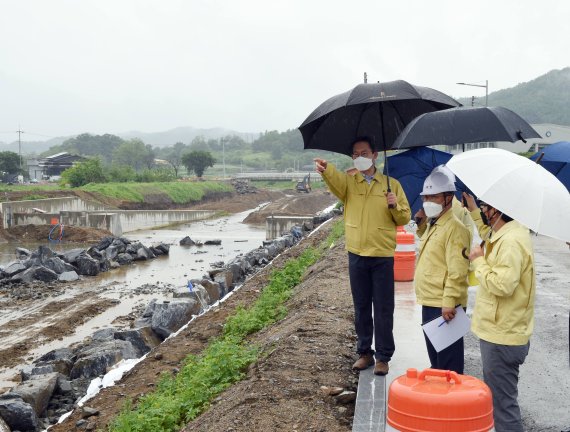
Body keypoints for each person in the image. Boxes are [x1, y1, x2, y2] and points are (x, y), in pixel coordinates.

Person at [314, 137, 411, 376]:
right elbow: (336, 182)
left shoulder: (391, 185)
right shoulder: (349, 183)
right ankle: (365, 353)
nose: (359, 157)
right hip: (357, 253)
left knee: (384, 308)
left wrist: (394, 205)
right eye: (355, 154)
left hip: (382, 255)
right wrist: (327, 170)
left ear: (375, 155)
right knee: (361, 306)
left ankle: (384, 357)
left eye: (364, 152)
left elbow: (404, 218)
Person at [465, 196, 536, 432]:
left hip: (502, 335)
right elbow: (488, 234)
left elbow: (503, 285)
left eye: (484, 207)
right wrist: (475, 212)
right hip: (501, 331)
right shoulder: (505, 234)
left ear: (495, 210)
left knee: (503, 407)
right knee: (500, 403)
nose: (483, 211)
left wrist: (479, 262)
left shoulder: (511, 241)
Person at [413, 166, 470, 374]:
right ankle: (439, 404)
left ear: (448, 198)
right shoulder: (434, 224)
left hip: (444, 306)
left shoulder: (455, 228)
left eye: (433, 197)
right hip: (430, 300)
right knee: (436, 362)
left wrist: (449, 303)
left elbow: (458, 270)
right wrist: (420, 224)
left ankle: (452, 405)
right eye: (425, 197)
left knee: (448, 367)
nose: (428, 202)